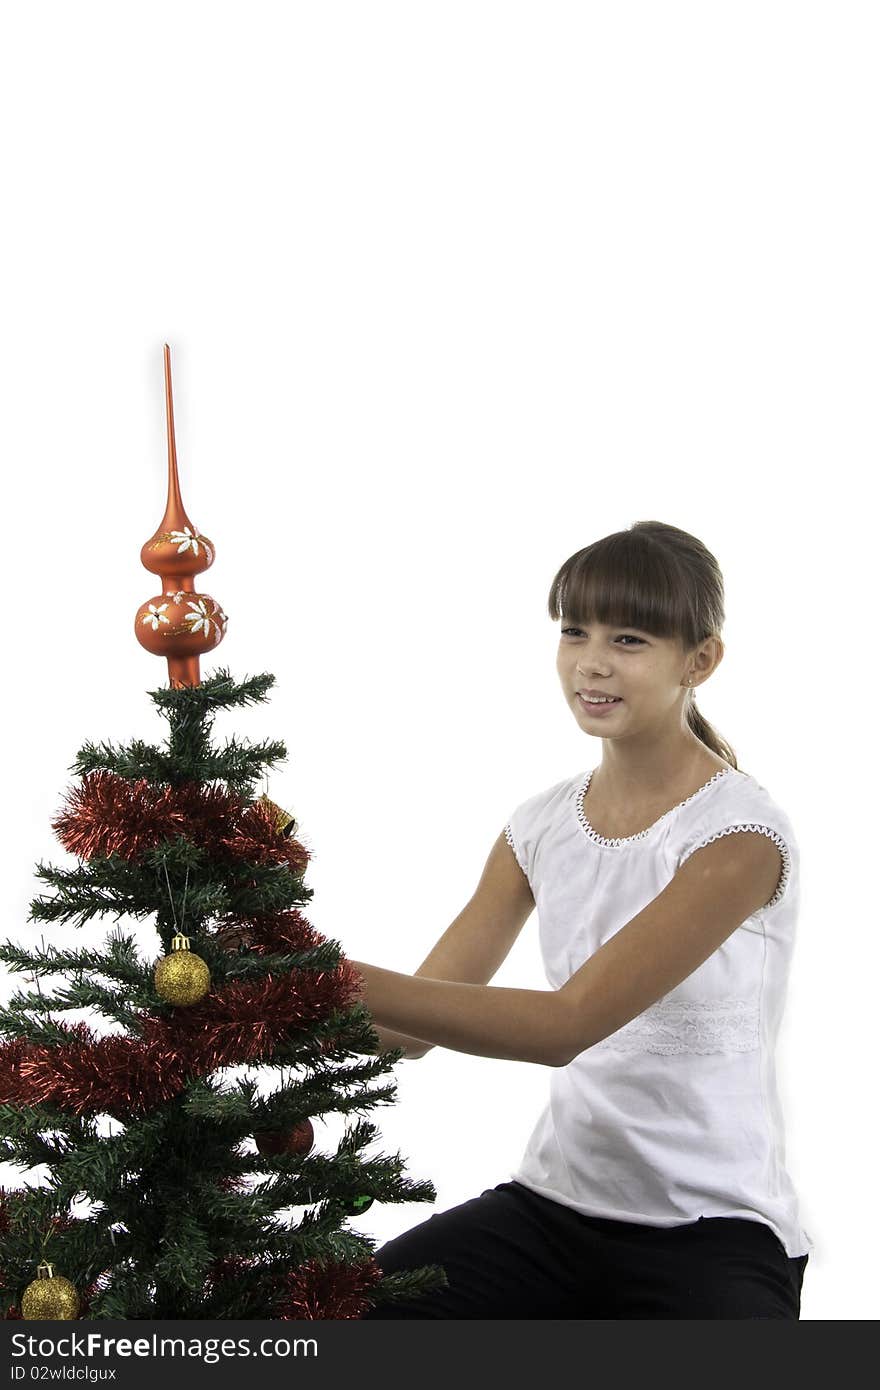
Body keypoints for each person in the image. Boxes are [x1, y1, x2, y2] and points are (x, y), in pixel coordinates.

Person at [349, 520, 812, 1319]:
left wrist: (328, 978)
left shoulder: (738, 836)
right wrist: (257, 982)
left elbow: (566, 1025)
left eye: (629, 639)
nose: (591, 663)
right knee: (341, 1314)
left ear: (699, 661)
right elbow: (411, 1027)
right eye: (574, 632)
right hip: (552, 1210)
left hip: (712, 1232)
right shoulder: (538, 826)